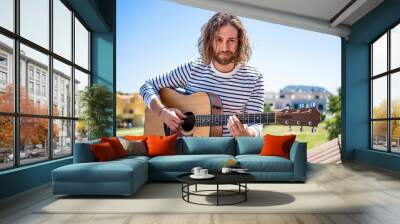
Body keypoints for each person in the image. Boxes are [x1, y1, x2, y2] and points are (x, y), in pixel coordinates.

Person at [139, 12, 264, 137]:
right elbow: (147, 86)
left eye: (231, 40)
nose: (224, 47)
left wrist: (247, 133)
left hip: (228, 152)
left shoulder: (254, 78)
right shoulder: (192, 69)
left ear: (240, 42)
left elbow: (256, 126)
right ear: (209, 41)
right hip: (182, 150)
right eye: (218, 40)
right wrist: (163, 112)